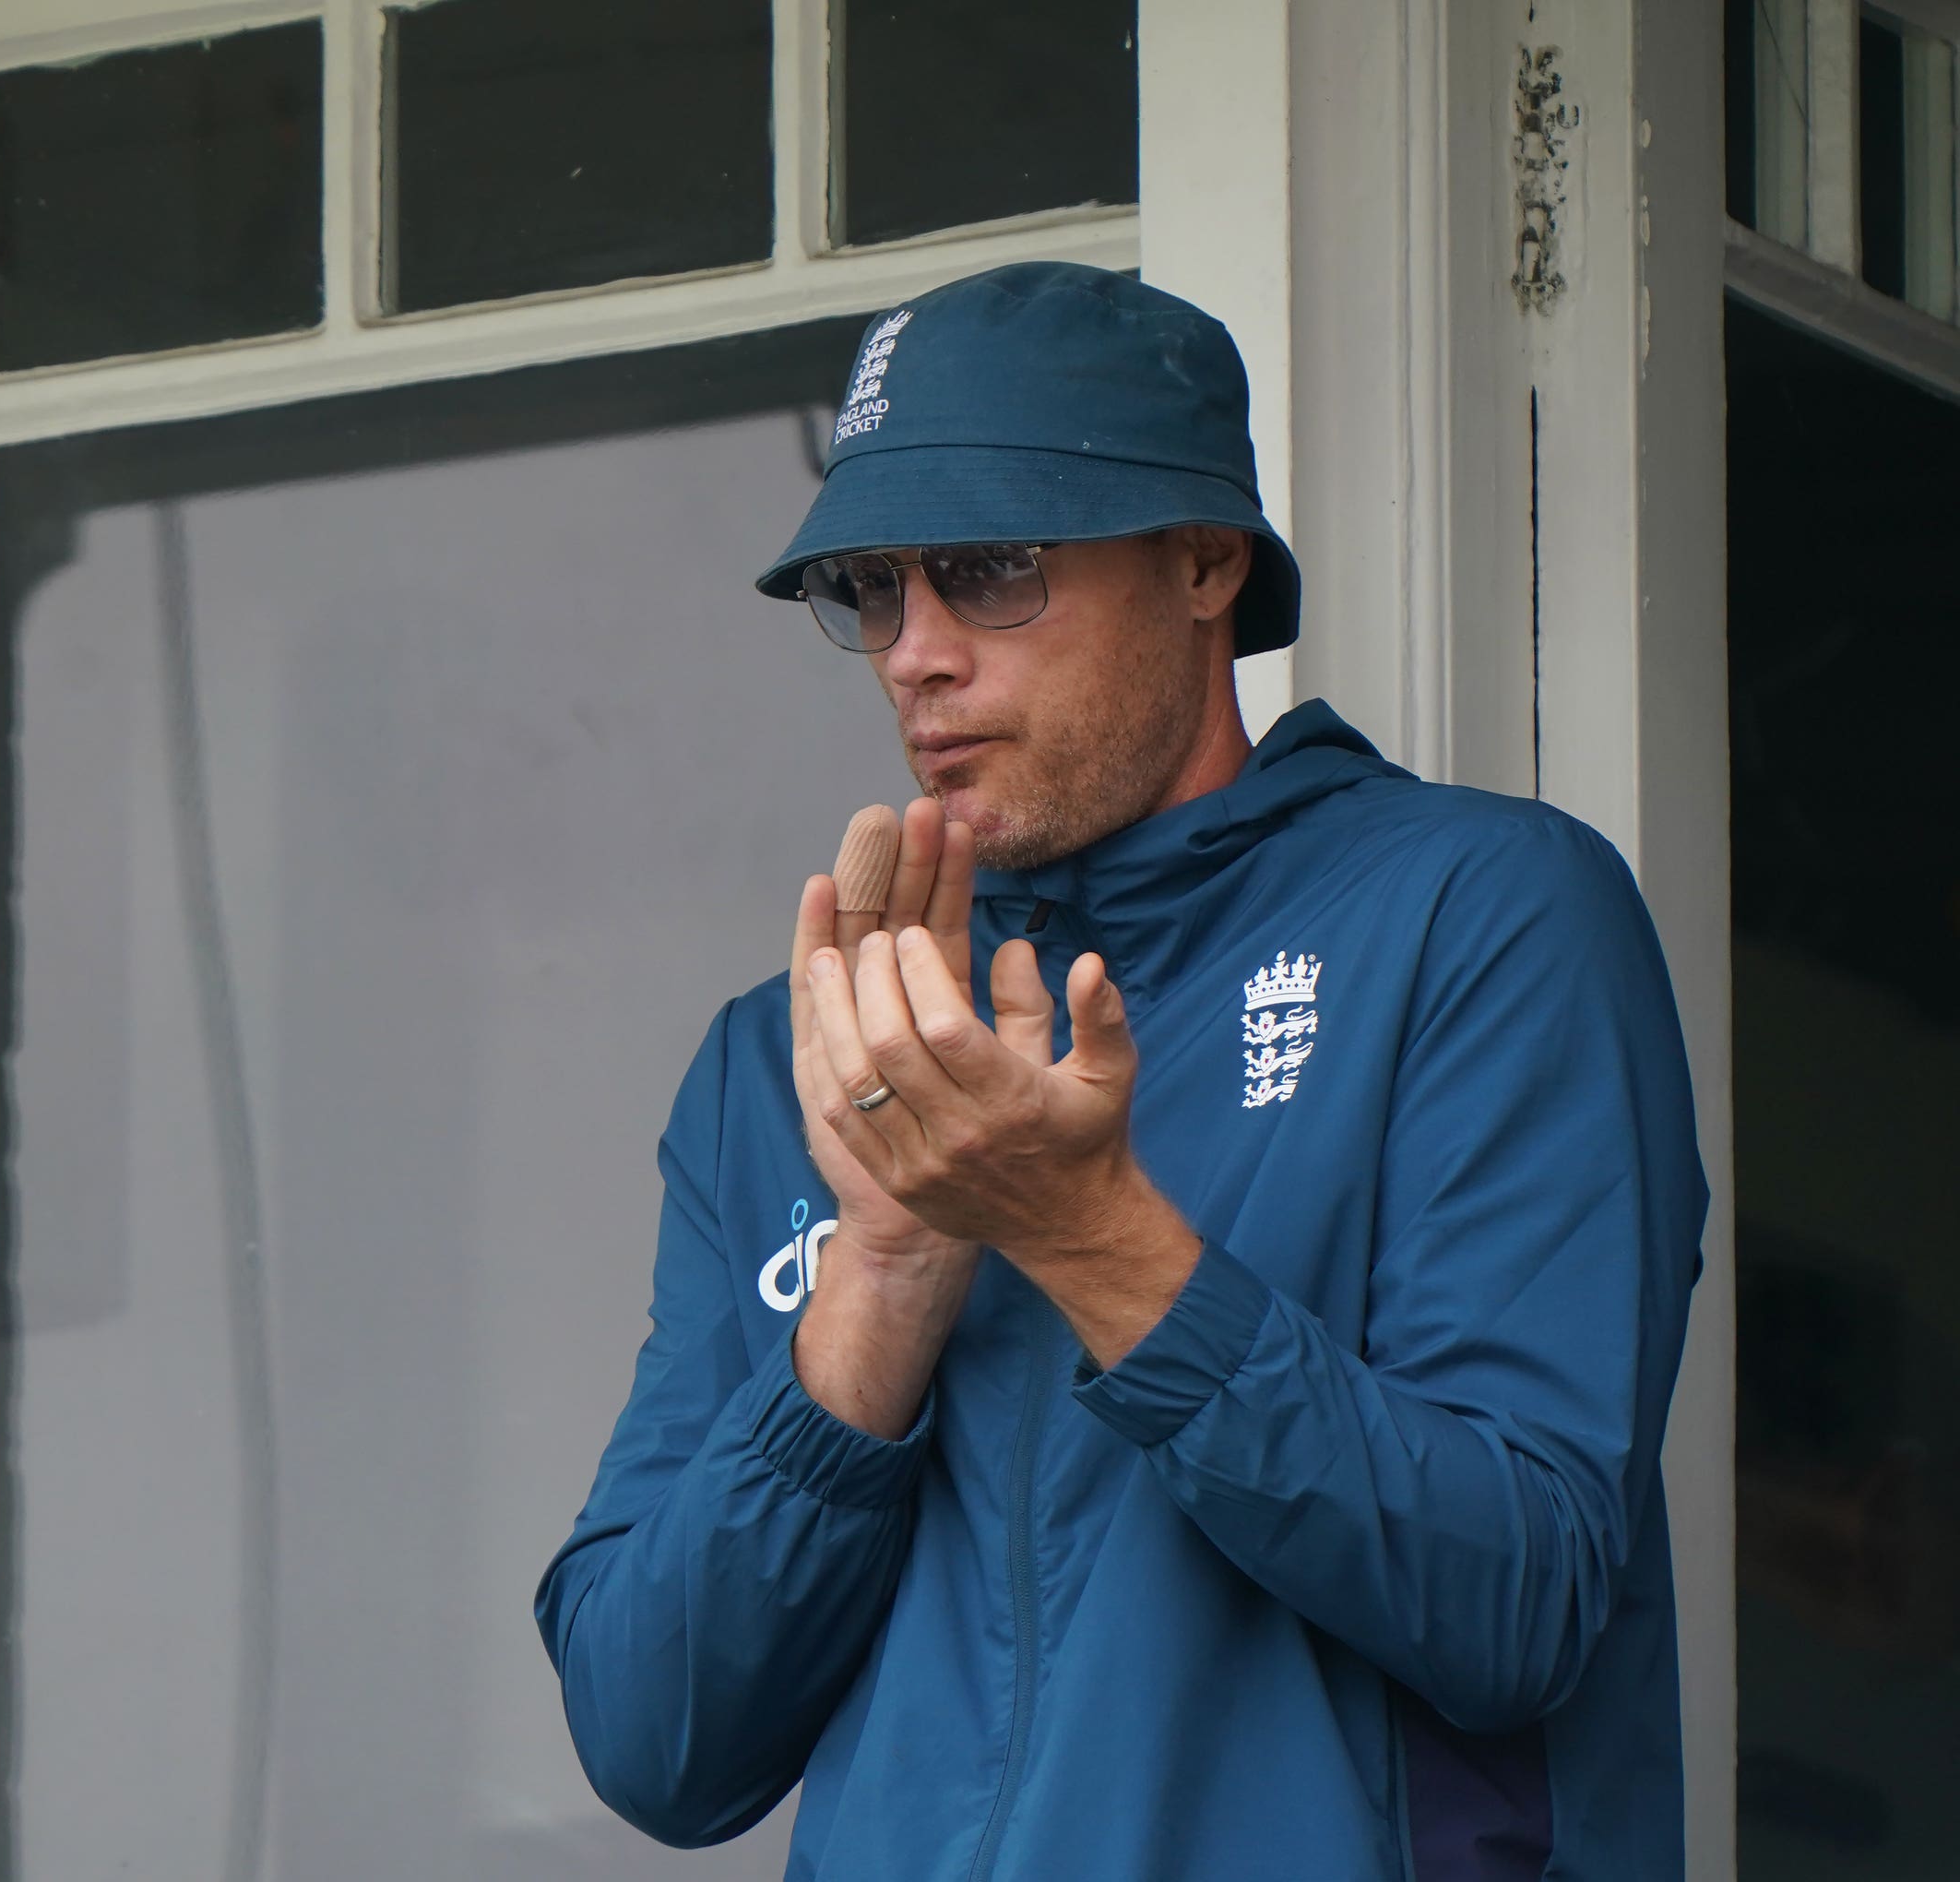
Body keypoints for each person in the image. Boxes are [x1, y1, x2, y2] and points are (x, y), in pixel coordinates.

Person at [533, 262, 1706, 1881]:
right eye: (873, 589)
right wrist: (883, 1272)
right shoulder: (804, 1047)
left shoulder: (1476, 911)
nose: (914, 653)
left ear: (1205, 560)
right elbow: (654, 1740)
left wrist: (1091, 1238)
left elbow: (1516, 1600)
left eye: (991, 567)